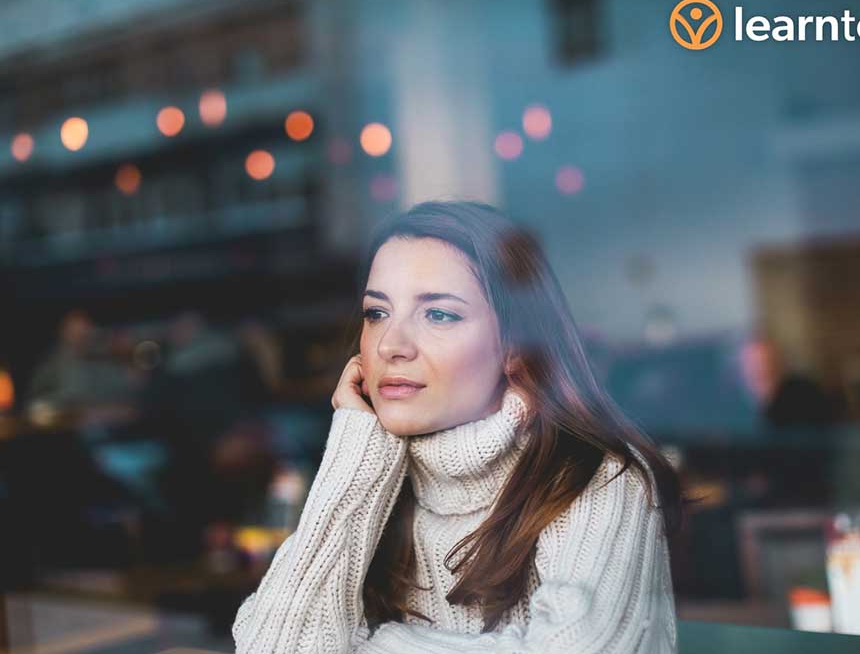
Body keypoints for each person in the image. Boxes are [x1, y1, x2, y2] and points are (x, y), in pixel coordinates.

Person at [232, 200, 682, 653]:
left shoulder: (599, 475)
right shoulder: (369, 479)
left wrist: (374, 645)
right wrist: (356, 460)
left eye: (439, 314)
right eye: (377, 313)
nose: (391, 344)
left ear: (515, 345)